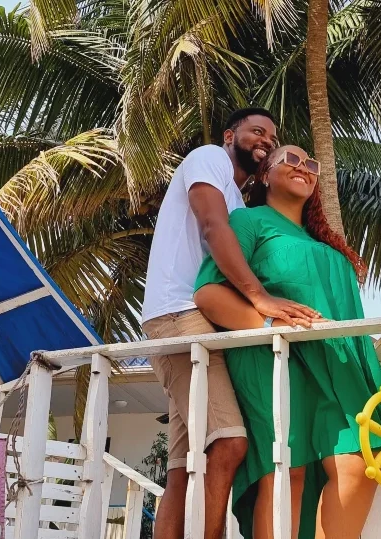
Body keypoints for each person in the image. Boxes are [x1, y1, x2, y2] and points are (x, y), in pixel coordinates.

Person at [141, 110, 321, 539]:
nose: (265, 140)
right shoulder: (209, 159)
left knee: (184, 469)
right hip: (179, 317)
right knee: (230, 442)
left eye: (271, 137)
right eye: (257, 131)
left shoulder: (241, 203)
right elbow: (211, 224)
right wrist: (261, 298)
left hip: (204, 323)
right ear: (230, 135)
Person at [194, 145, 381, 539]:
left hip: (338, 360)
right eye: (291, 160)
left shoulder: (326, 242)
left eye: (310, 164)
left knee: (359, 463)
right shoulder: (249, 222)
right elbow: (208, 295)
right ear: (265, 174)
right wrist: (270, 321)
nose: (304, 168)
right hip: (272, 355)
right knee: (288, 470)